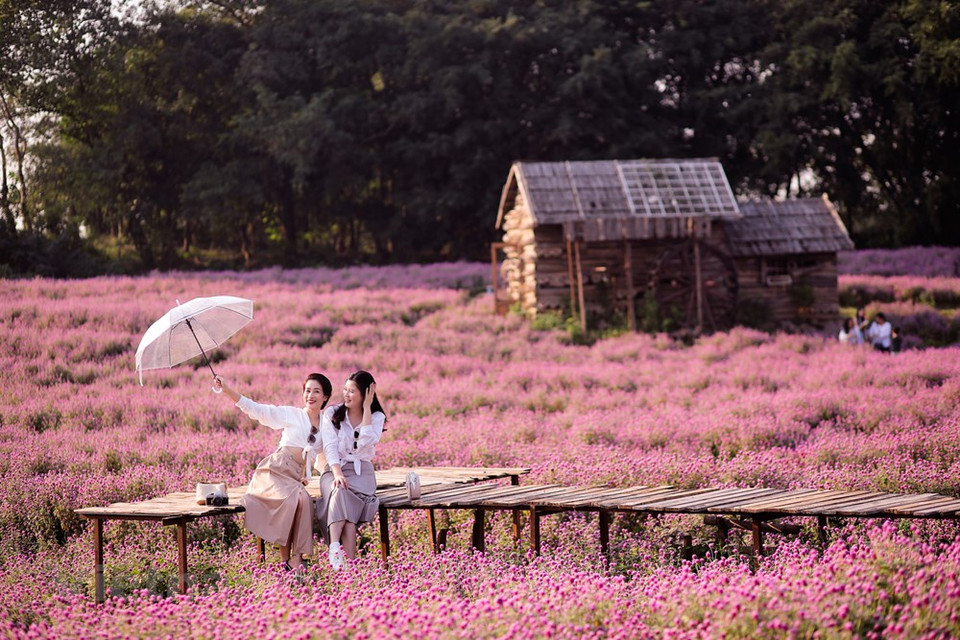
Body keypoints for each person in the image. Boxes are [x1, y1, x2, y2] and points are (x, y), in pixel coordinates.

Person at [213, 372, 332, 571]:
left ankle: (294, 558)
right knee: (296, 500)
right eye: (307, 390)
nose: (310, 395)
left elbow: (323, 458)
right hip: (275, 471)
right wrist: (227, 390)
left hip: (294, 477)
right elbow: (258, 410)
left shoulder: (326, 426)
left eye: (316, 391)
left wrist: (333, 475)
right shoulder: (293, 414)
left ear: (325, 397)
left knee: (303, 500)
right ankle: (290, 560)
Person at [316, 370, 386, 570]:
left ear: (366, 393)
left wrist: (365, 409)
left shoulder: (376, 416)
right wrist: (337, 472)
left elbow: (365, 443)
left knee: (346, 513)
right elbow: (329, 446)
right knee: (339, 491)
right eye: (345, 390)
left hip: (361, 473)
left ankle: (344, 562)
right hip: (334, 469)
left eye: (352, 391)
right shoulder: (332, 413)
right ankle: (337, 550)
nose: (346, 394)